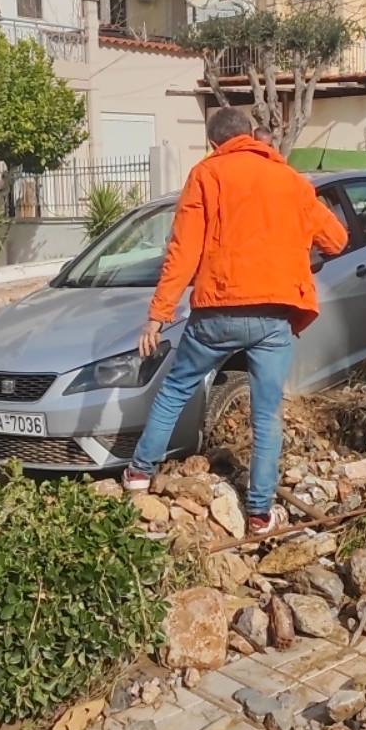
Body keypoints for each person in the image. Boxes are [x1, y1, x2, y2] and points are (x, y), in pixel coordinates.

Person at [124, 107, 348, 533]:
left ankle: (138, 473)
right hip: (273, 317)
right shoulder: (291, 180)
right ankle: (260, 512)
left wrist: (158, 315)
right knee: (266, 415)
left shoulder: (207, 175)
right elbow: (336, 239)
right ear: (252, 135)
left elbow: (182, 252)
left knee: (175, 390)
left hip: (216, 312)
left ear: (214, 143)